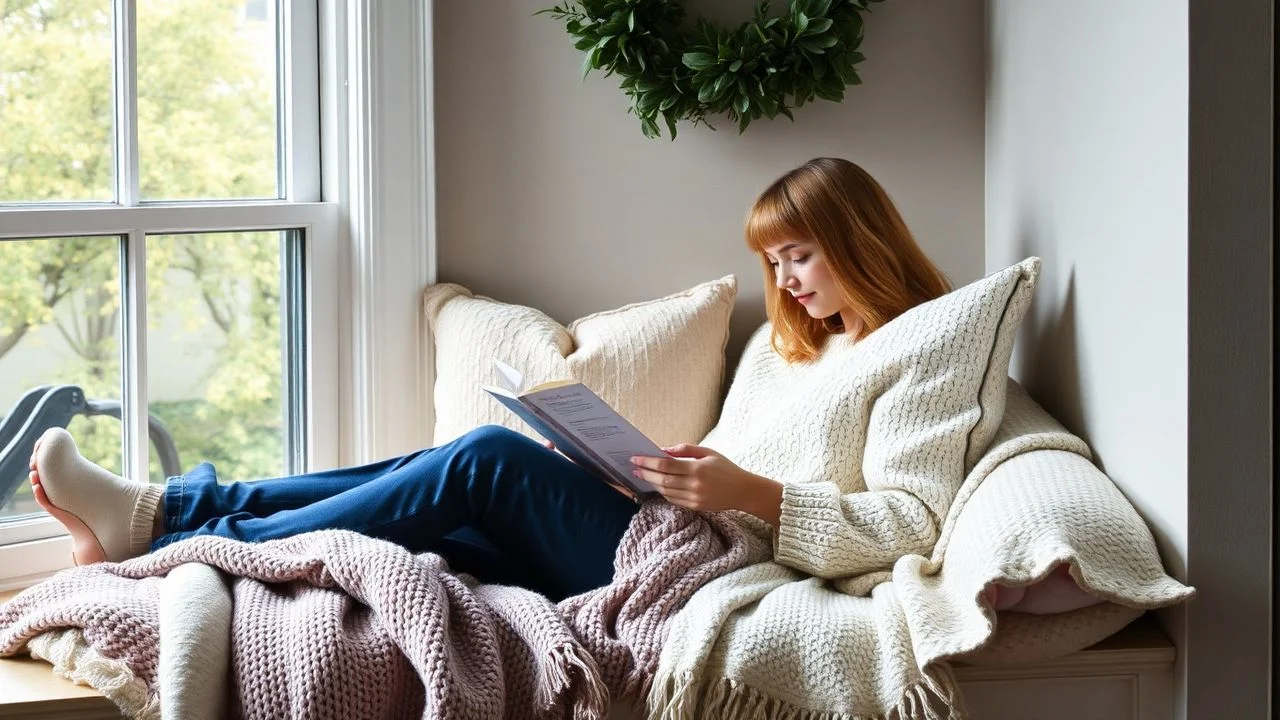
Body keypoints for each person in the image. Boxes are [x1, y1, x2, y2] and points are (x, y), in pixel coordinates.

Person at [27, 157, 952, 602]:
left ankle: (187, 544)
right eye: (775, 262)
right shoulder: (791, 349)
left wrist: (743, 490)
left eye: (799, 257)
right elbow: (732, 461)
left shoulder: (917, 355)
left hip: (702, 574)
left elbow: (913, 524)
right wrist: (647, 466)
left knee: (482, 460)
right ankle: (160, 515)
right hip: (673, 526)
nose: (785, 282)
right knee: (430, 484)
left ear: (858, 242)